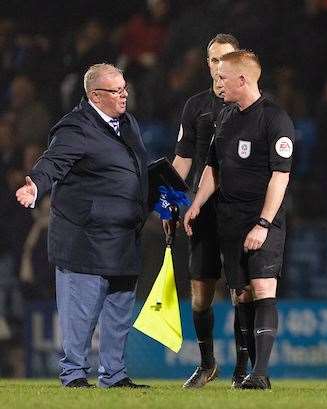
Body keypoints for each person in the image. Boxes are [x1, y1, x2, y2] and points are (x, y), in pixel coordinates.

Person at [15, 63, 149, 389]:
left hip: (122, 235)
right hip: (85, 237)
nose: (124, 95)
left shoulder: (127, 123)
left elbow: (133, 169)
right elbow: (53, 161)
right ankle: (74, 374)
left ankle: (114, 375)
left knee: (118, 312)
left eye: (124, 88)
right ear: (95, 96)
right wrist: (36, 184)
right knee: (80, 313)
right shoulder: (76, 128)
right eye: (116, 91)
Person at [184, 50, 294, 390]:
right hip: (229, 221)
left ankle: (259, 373)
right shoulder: (227, 118)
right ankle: (245, 372)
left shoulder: (275, 119)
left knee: (263, 288)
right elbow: (213, 168)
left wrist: (262, 224)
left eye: (223, 78)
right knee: (242, 294)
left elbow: (280, 176)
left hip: (263, 219)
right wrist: (197, 204)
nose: (218, 83)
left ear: (243, 80)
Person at [168, 33, 249, 388]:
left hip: (240, 212)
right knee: (200, 293)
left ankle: (243, 368)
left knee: (240, 291)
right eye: (214, 60)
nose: (220, 67)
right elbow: (184, 158)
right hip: (201, 213)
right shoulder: (195, 106)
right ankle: (207, 364)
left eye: (227, 59)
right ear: (208, 65)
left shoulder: (250, 106)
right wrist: (167, 199)